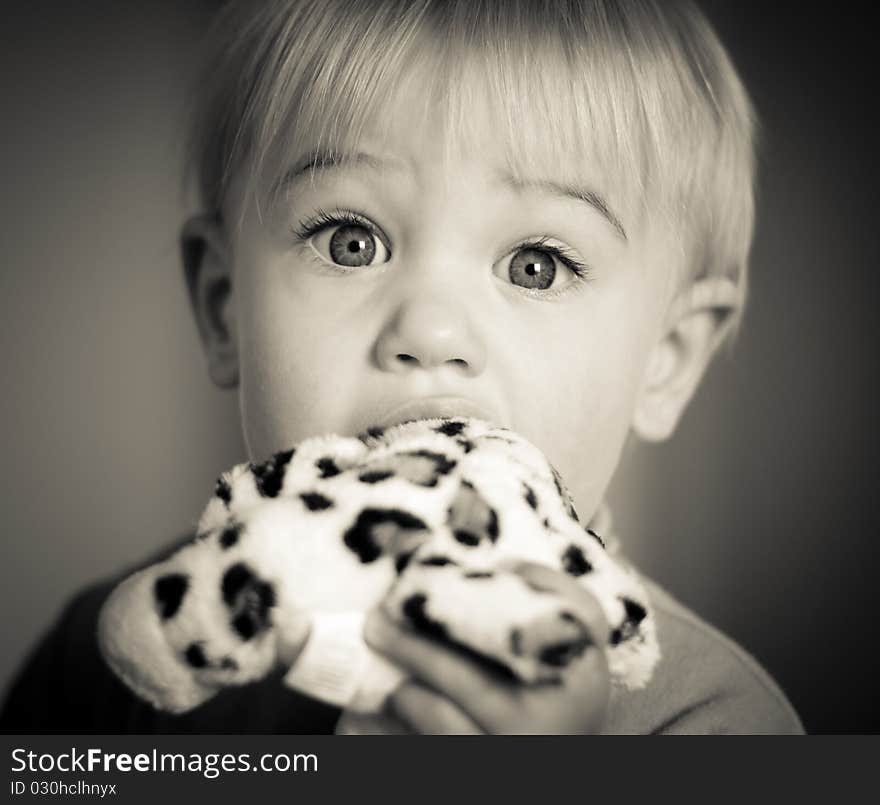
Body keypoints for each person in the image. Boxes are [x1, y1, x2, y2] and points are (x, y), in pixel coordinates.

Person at [0, 0, 803, 734]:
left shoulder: (714, 719)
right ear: (224, 308)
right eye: (352, 241)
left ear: (667, 358)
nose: (431, 329)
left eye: (536, 265)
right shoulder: (126, 663)